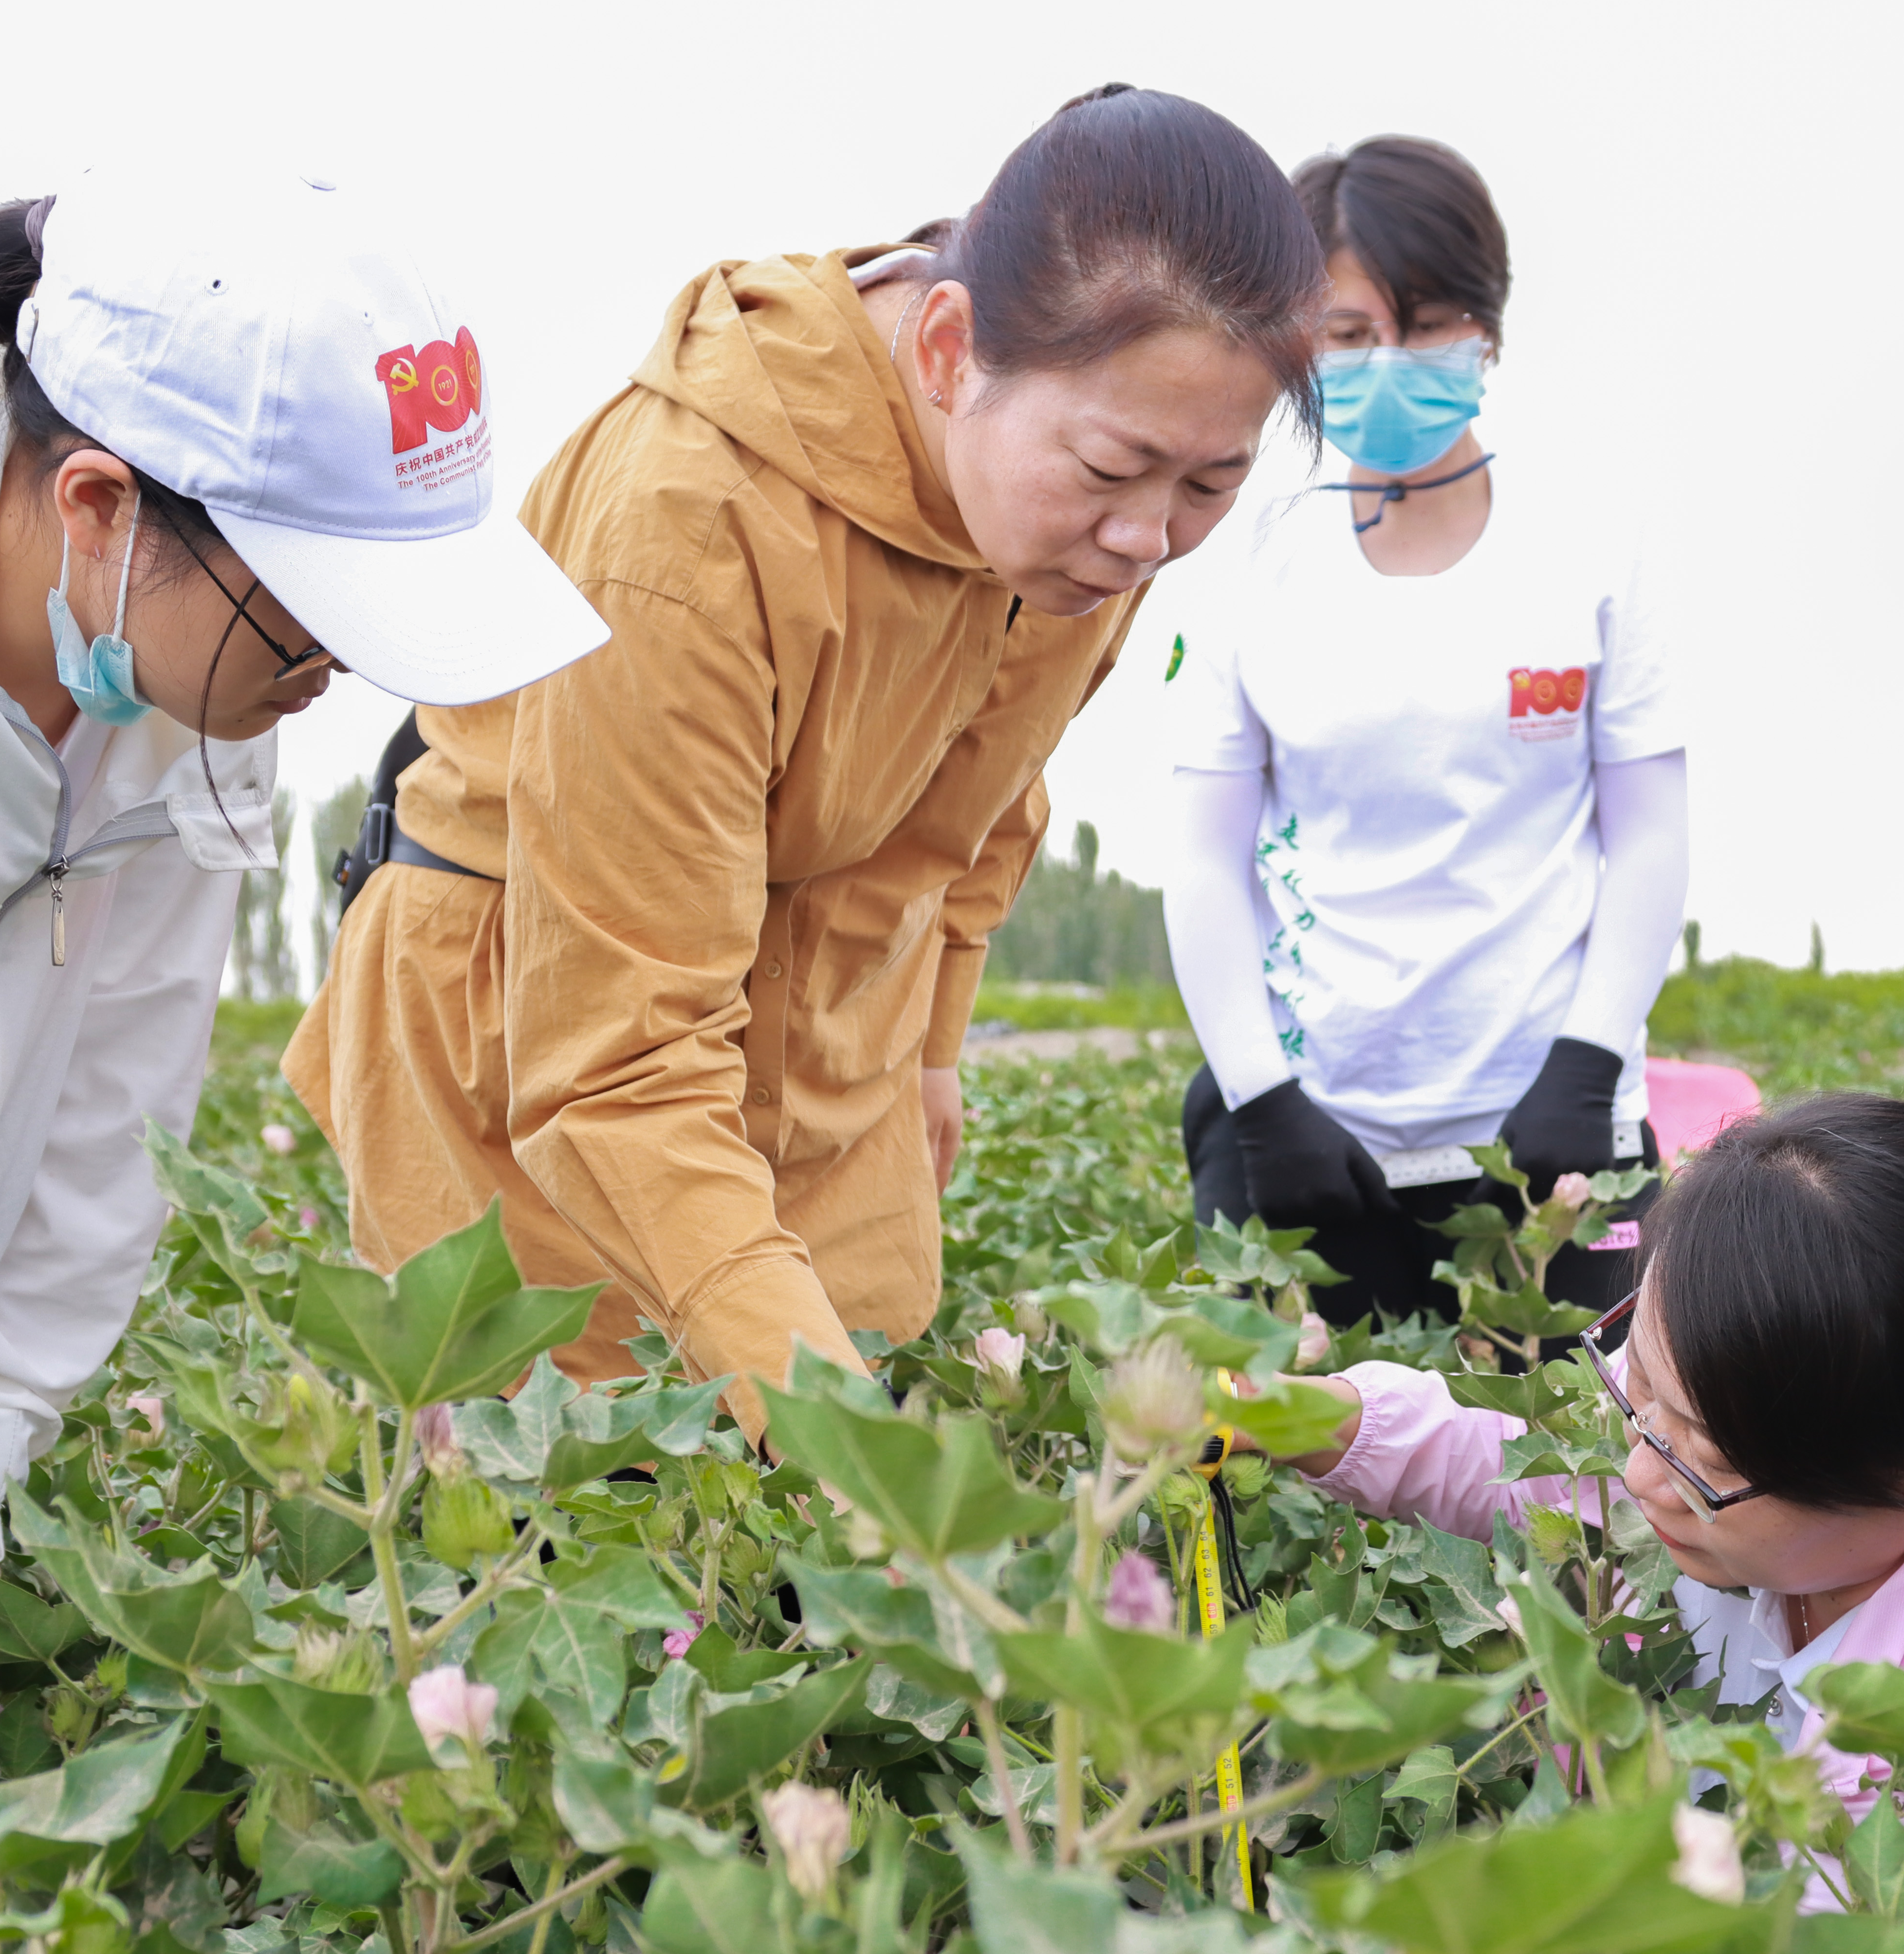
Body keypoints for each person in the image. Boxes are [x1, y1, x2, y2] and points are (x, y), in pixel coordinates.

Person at [0, 169, 603, 1778]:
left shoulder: (184, 748)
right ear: (102, 508)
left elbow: (91, 1179)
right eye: (305, 622)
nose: (326, 685)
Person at [293, 87, 1319, 1407]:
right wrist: (836, 1443)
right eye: (1118, 470)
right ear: (947, 351)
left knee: (846, 1501)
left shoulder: (1080, 519)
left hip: (836, 1024)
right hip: (544, 1030)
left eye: (1211, 486)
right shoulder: (690, 524)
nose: (1148, 539)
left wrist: (935, 1044)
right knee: (618, 1504)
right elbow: (618, 1062)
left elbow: (993, 791)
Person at [1233, 1093, 1904, 1815]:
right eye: (1640, 1398)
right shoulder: (1795, 1474)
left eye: (1695, 1457)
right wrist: (1300, 1415)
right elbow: (1523, 1461)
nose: (1639, 1474)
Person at [1164, 133, 1687, 1330]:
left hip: (1548, 1129)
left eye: (1431, 323)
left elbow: (1651, 835)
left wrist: (1588, 1063)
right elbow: (1202, 856)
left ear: (1488, 333)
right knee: (1304, 1482)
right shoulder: (1252, 555)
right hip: (1319, 1130)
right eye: (1347, 335)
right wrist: (1263, 1099)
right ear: (1296, 341)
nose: (1388, 363)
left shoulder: (1589, 544)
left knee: (1575, 1486)